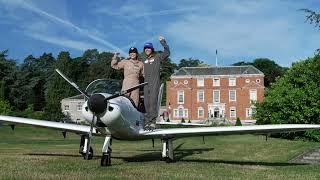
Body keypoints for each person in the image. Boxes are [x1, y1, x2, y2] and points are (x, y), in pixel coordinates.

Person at [140, 36, 170, 130]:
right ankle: (147, 122)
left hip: (154, 83)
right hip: (145, 84)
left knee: (153, 102)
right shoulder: (143, 59)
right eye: (146, 48)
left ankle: (152, 122)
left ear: (152, 49)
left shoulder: (157, 57)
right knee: (146, 103)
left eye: (149, 48)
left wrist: (163, 42)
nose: (147, 50)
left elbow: (167, 53)